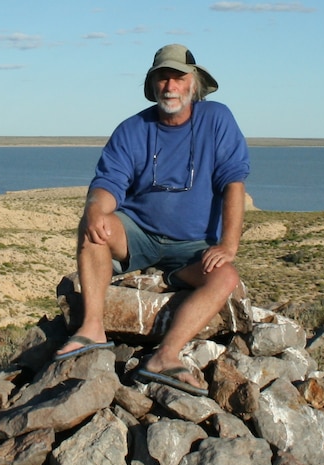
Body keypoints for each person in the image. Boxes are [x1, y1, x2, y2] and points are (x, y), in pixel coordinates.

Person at [54, 44, 250, 396]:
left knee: (225, 278)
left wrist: (228, 245)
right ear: (153, 84)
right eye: (163, 77)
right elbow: (107, 184)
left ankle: (165, 356)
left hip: (194, 247)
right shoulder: (132, 130)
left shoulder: (218, 120)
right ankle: (92, 328)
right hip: (139, 235)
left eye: (178, 77)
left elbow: (233, 183)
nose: (170, 85)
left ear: (194, 84)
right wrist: (96, 207)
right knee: (94, 226)